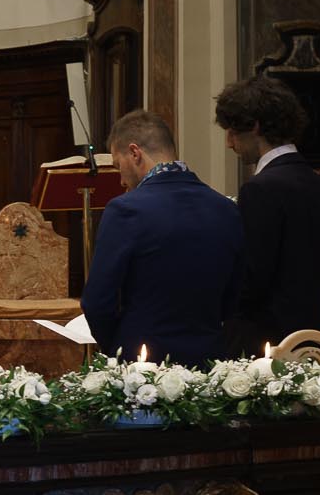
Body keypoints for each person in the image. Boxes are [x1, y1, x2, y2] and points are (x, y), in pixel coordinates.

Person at [80, 110, 241, 364]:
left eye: (117, 165)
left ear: (135, 153)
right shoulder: (226, 209)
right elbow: (235, 296)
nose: (120, 179)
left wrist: (118, 346)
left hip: (143, 366)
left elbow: (98, 302)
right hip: (210, 361)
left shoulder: (125, 210)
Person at [212, 75, 320, 354]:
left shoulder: (261, 189)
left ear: (254, 126)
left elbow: (252, 279)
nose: (229, 143)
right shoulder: (319, 186)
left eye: (232, 131)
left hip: (265, 343)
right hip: (311, 340)